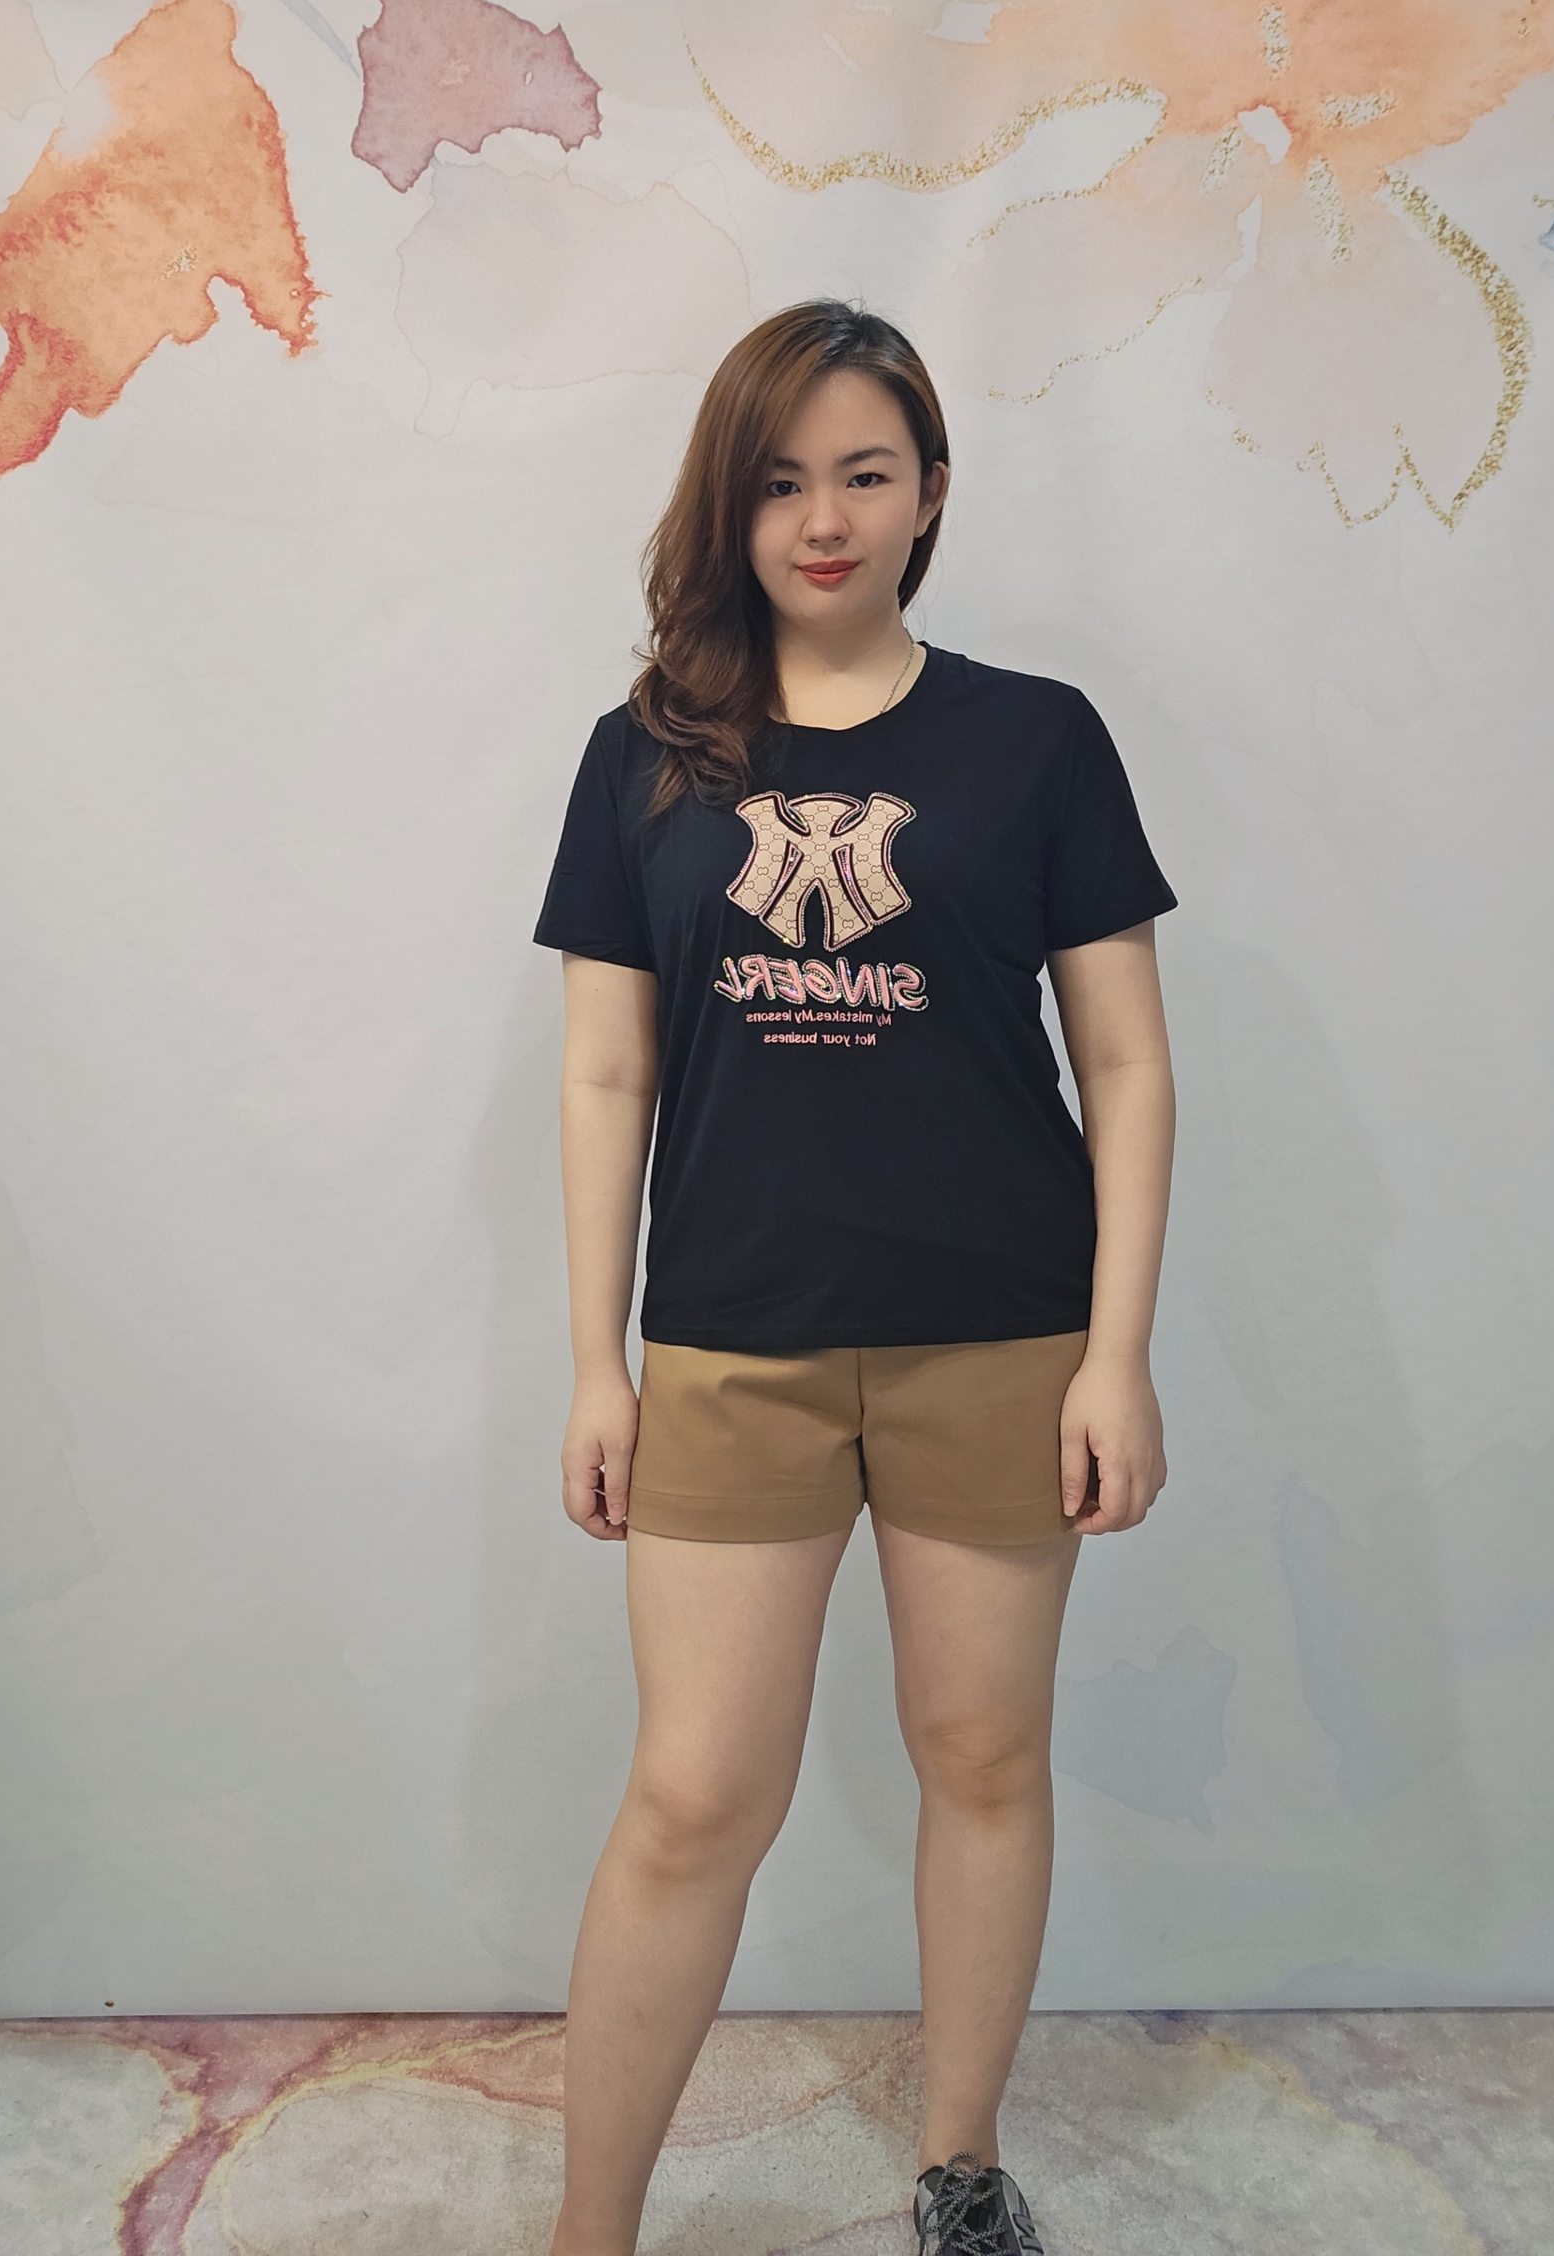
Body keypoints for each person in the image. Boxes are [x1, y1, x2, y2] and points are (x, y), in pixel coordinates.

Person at [532, 299, 1176, 2256]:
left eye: (866, 475)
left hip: (1003, 1332)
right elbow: (607, 1072)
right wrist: (597, 1365)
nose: (824, 519)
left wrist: (1118, 1356)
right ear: (731, 507)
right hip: (737, 1342)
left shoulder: (1036, 740)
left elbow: (1127, 1064)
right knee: (691, 1799)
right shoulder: (644, 758)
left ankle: (958, 2168)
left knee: (981, 1756)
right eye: (783, 481)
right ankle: (589, 2228)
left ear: (931, 494)